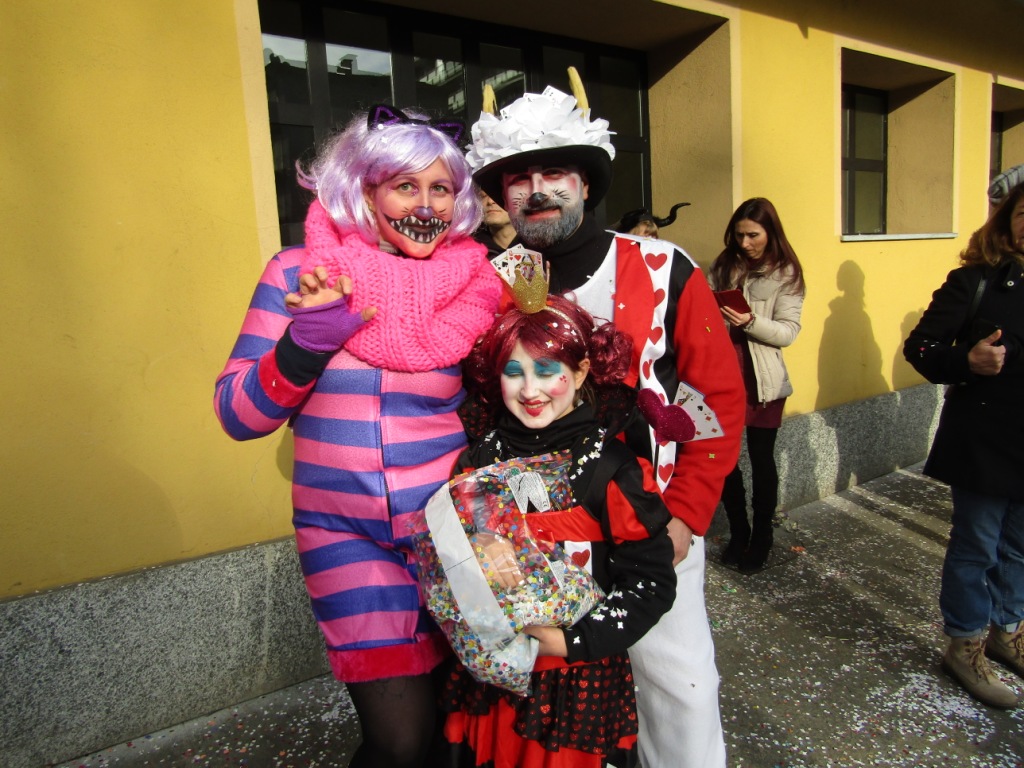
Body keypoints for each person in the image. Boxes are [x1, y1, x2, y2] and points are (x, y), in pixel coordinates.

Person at [214, 104, 502, 767]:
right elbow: (237, 415)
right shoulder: (299, 273)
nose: (425, 204)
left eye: (440, 188)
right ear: (365, 192)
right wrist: (306, 342)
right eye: (405, 186)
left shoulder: (478, 283)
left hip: (454, 533)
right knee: (398, 742)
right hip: (344, 535)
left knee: (452, 733)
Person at [467, 82, 745, 768]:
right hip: (539, 538)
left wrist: (686, 517)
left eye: (555, 173)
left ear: (586, 182)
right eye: (520, 179)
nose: (537, 191)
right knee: (553, 708)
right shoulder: (493, 282)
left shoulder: (664, 267)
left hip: (654, 526)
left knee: (678, 686)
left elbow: (716, 398)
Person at [440, 292, 678, 767]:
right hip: (493, 680)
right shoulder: (478, 460)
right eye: (514, 371)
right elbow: (460, 560)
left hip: (576, 683)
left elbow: (651, 583)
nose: (531, 389)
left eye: (547, 370)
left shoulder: (612, 470)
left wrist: (571, 642)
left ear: (582, 372)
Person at [903, 179, 1024, 709]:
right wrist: (966, 360)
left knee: (1020, 548)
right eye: (1023, 213)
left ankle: (1008, 631)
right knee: (977, 547)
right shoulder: (974, 281)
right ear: (1007, 221)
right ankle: (965, 644)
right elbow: (920, 347)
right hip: (986, 444)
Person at [707, 198, 805, 572]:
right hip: (722, 375)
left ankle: (762, 537)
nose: (745, 243)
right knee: (724, 459)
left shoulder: (787, 273)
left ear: (770, 233)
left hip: (763, 380)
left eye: (753, 235)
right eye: (739, 235)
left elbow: (788, 332)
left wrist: (749, 322)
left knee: (762, 460)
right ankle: (739, 532)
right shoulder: (724, 265)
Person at [474, 188, 519, 257]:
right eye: (483, 196)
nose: (490, 201)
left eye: (498, 194)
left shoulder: (536, 246)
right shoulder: (469, 252)